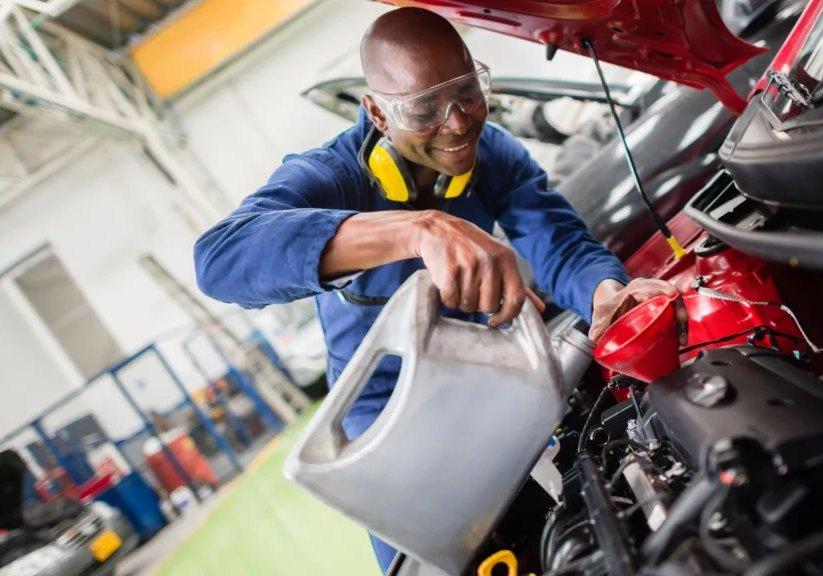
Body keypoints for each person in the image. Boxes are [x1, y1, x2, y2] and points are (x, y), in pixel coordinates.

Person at [193, 6, 682, 572]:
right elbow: (220, 258)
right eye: (424, 110)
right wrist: (417, 229)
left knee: (547, 536)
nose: (456, 124)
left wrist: (602, 291)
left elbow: (559, 241)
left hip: (488, 387)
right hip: (384, 422)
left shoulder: (493, 154)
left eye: (468, 95)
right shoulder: (333, 176)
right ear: (377, 111)